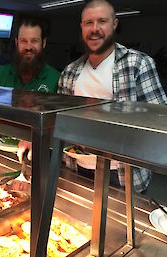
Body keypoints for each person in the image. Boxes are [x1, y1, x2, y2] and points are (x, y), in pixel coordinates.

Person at [18, 0, 167, 193]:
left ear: (114, 24)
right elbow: (57, 120)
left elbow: (160, 120)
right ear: (81, 27)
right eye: (88, 23)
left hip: (121, 175)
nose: (94, 29)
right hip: (75, 167)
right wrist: (36, 137)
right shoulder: (70, 71)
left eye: (102, 21)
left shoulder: (138, 64)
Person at [0, 18, 60, 93]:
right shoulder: (1, 73)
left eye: (34, 41)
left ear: (43, 43)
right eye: (23, 41)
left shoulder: (56, 78)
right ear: (17, 43)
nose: (28, 47)